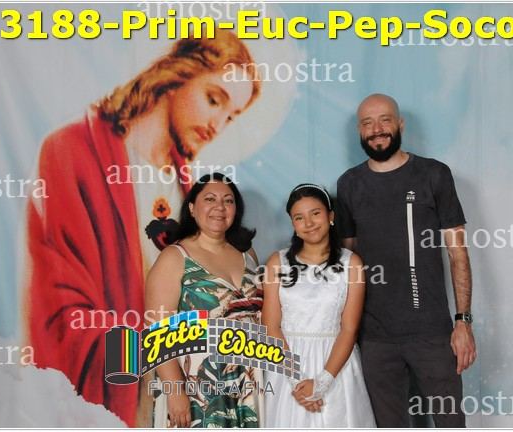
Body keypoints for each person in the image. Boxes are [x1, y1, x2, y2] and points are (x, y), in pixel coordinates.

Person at [23, 30, 260, 427]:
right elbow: (64, 306)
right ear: (178, 75)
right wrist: (157, 362)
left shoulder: (189, 189)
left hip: (192, 383)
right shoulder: (74, 150)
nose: (218, 124)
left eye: (231, 116)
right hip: (126, 388)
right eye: (214, 99)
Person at [336, 93, 477, 427]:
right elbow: (347, 263)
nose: (377, 129)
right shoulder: (349, 184)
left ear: (400, 124)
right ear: (359, 131)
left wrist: (463, 322)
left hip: (432, 333)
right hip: (374, 338)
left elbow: (457, 252)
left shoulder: (434, 174)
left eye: (384, 120)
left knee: (449, 423)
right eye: (367, 123)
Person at [145, 173, 263, 428]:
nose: (220, 207)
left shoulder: (247, 253)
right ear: (192, 208)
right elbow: (157, 331)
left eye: (228, 201)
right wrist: (175, 391)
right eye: (210, 199)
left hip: (251, 381)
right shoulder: (175, 257)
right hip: (197, 385)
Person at [262, 183, 376, 428]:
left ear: (330, 216)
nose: (309, 223)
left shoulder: (351, 263)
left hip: (336, 366)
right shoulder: (277, 262)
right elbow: (271, 326)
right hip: (286, 364)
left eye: (315, 213)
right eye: (299, 217)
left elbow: (349, 329)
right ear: (293, 223)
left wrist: (323, 382)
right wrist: (296, 381)